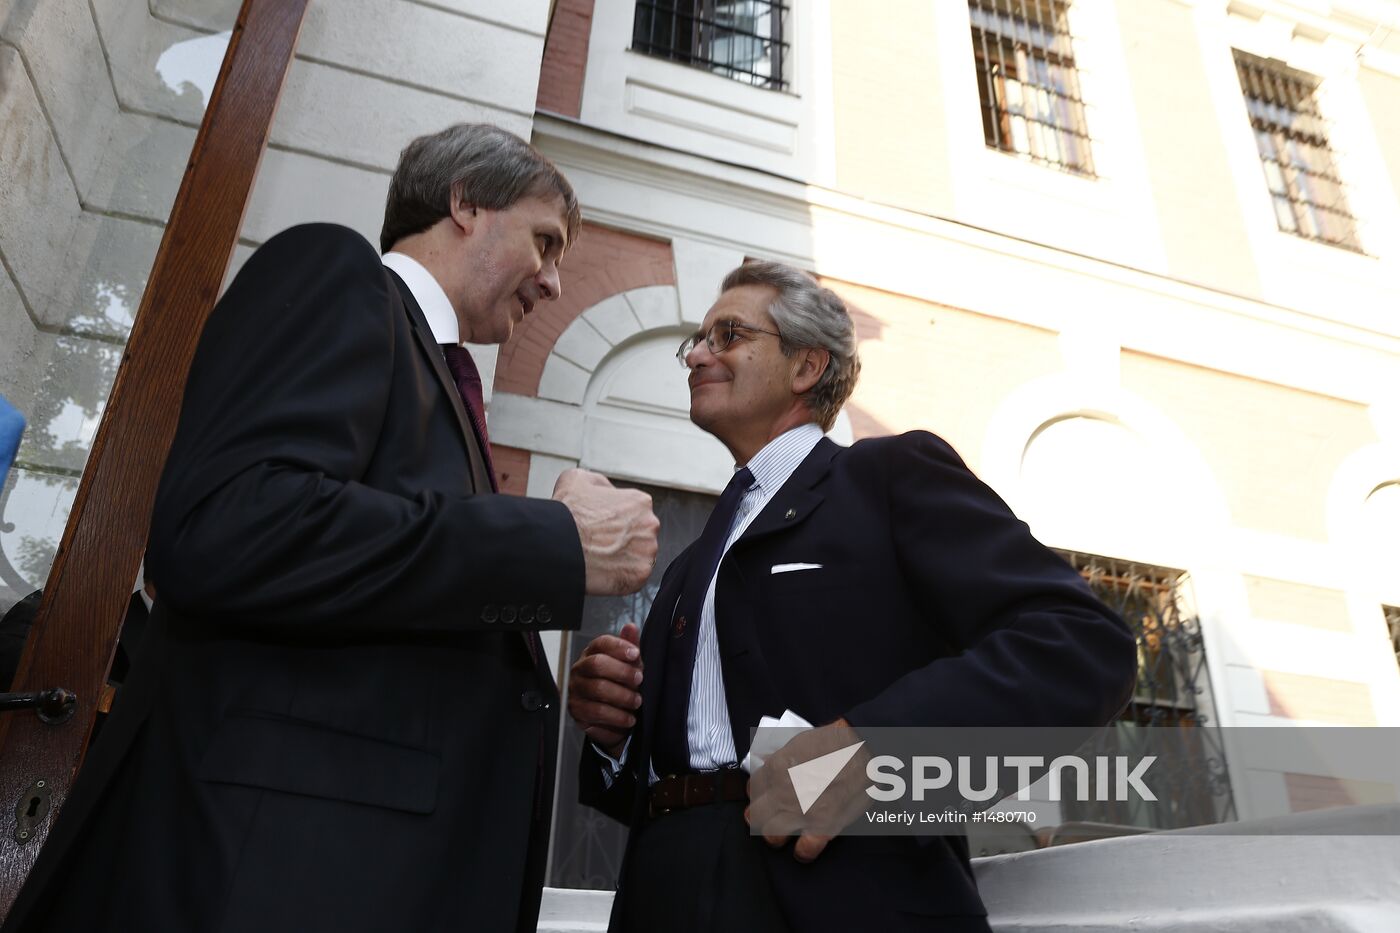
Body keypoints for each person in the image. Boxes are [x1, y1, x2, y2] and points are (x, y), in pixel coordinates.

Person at [4, 124, 658, 933]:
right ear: (466, 203)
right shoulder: (339, 275)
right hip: (263, 878)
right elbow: (230, 524)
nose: (555, 282)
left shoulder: (445, 388)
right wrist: (554, 540)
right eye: (546, 240)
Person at [567, 261, 1137, 932]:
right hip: (661, 893)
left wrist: (875, 750)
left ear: (807, 365)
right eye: (696, 339)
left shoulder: (886, 478)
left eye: (727, 334)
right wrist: (614, 736)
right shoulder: (693, 565)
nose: (696, 353)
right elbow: (668, 776)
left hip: (839, 892)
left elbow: (1080, 644)